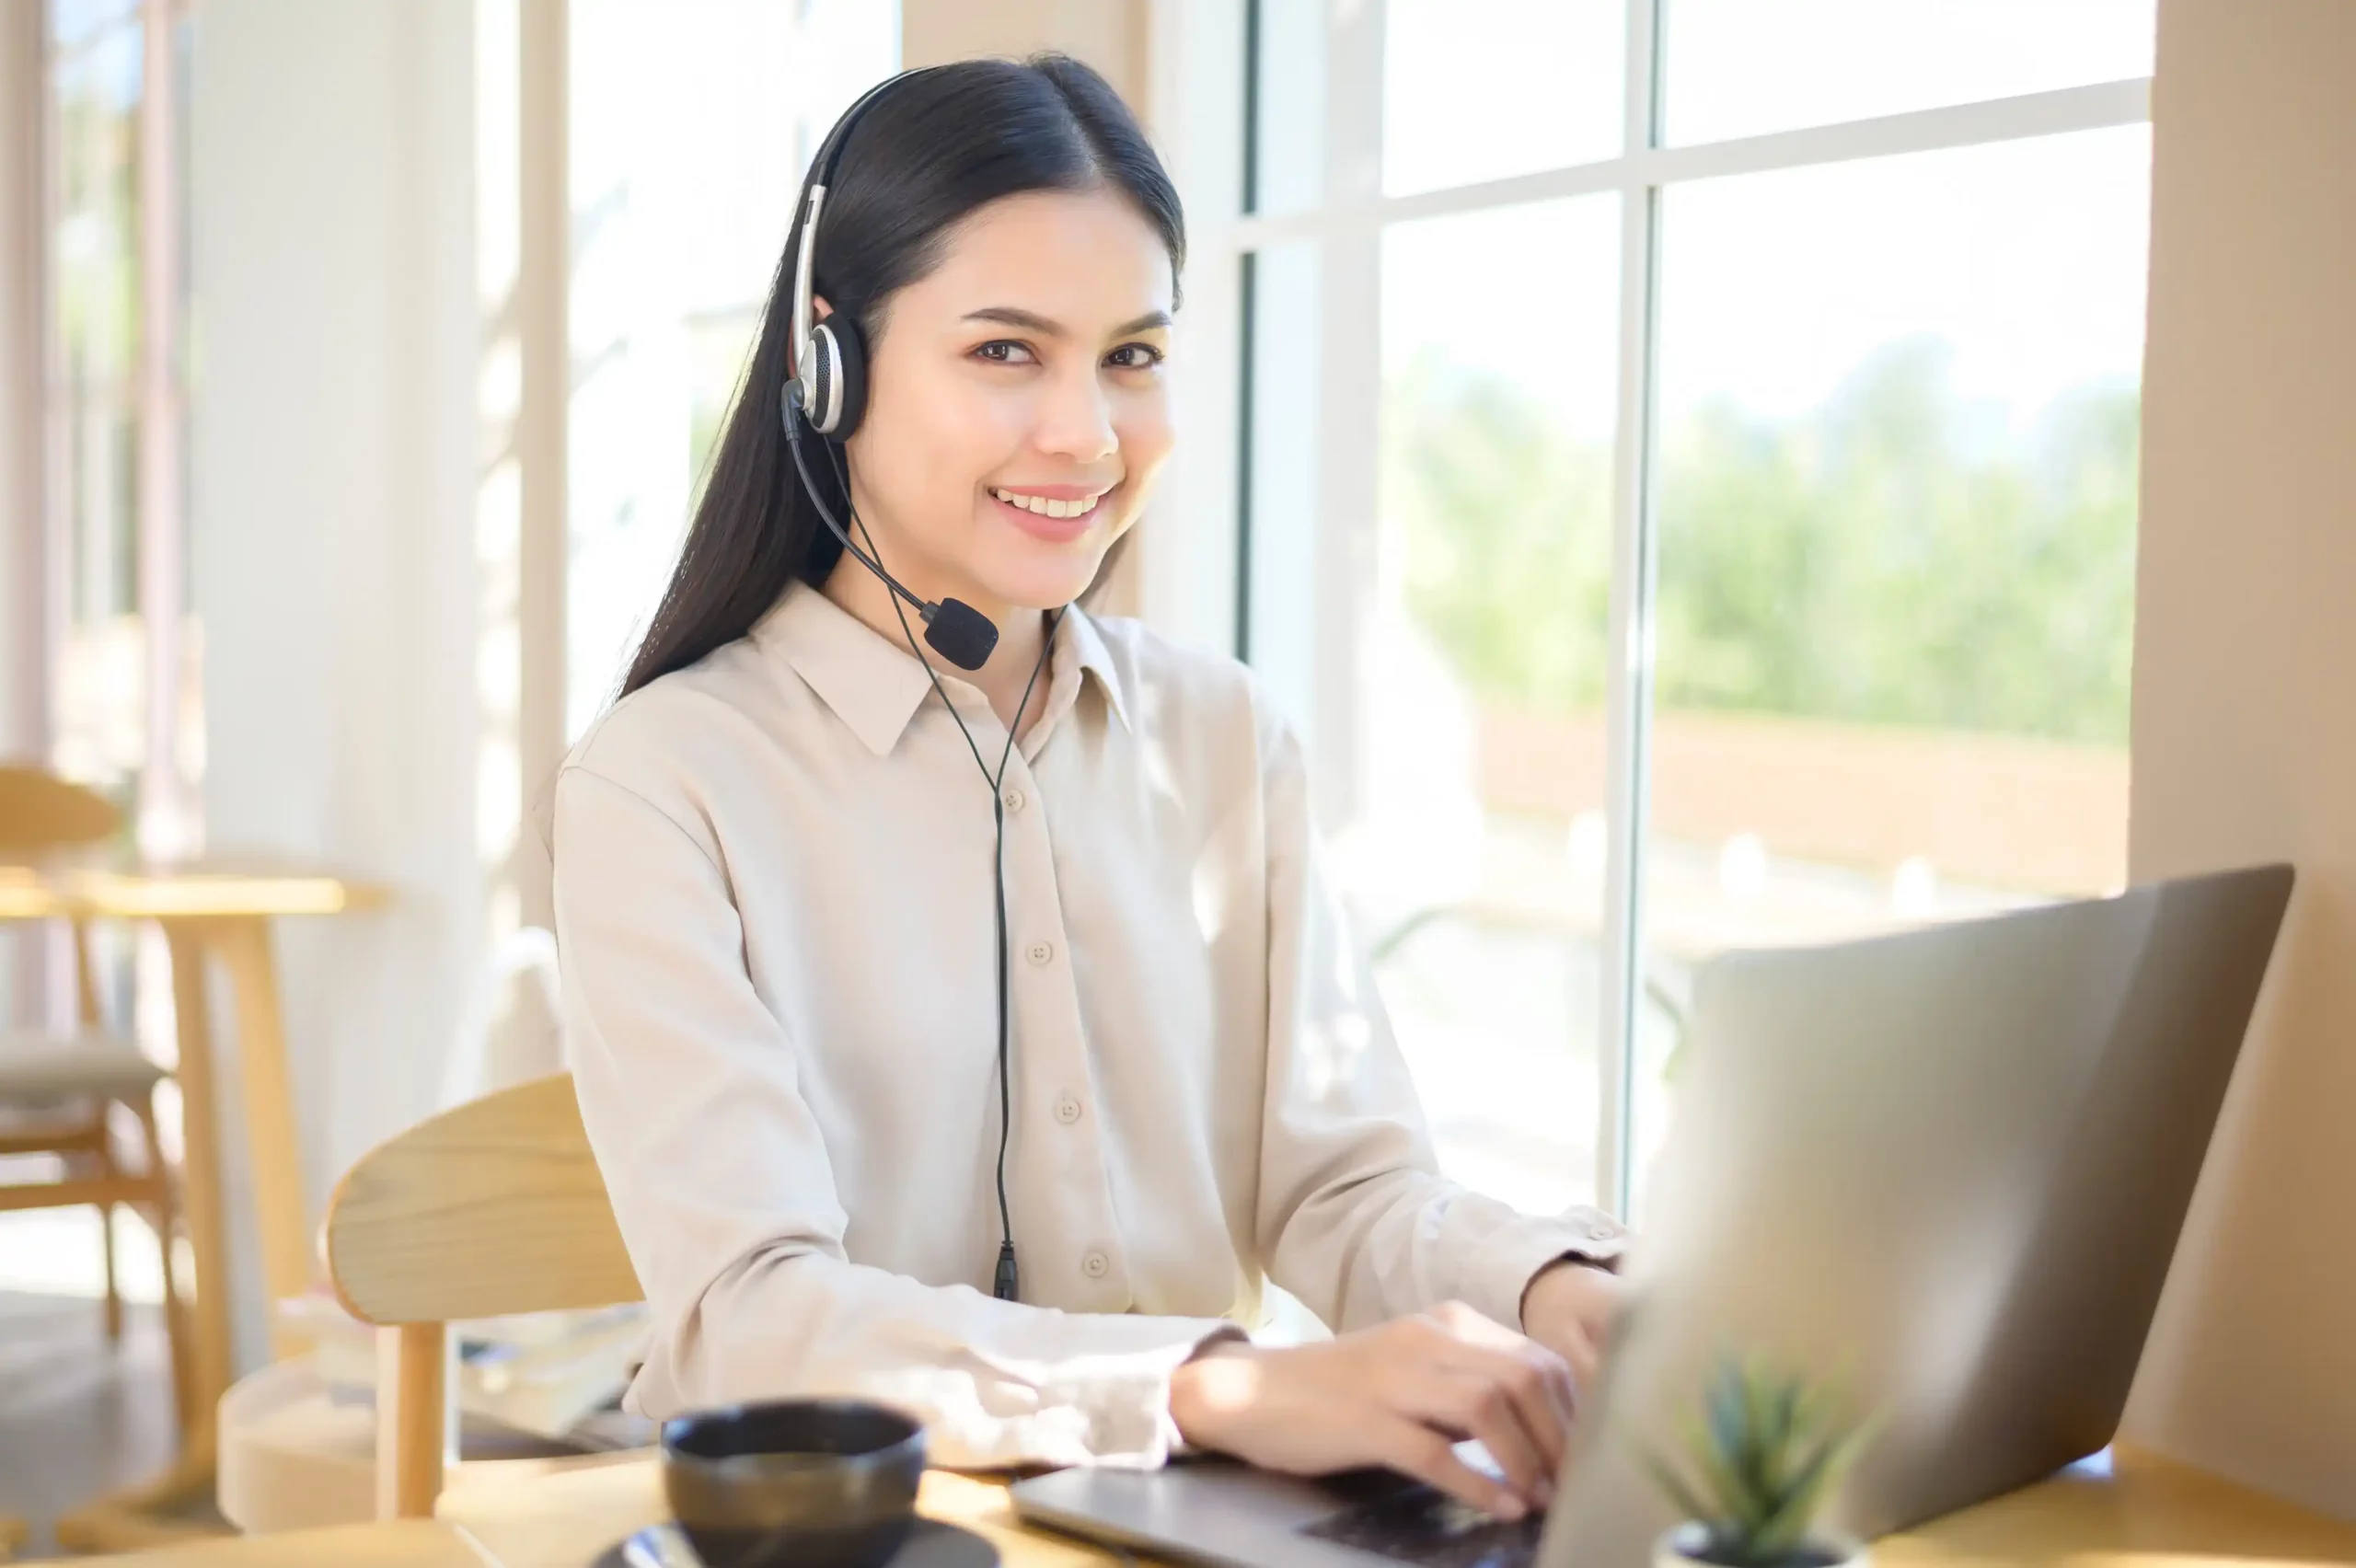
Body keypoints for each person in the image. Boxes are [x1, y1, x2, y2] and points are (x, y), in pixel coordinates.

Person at [552, 53, 1629, 1523]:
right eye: (1006, 352)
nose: (1087, 434)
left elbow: (1340, 1190)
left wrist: (1545, 1283)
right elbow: (747, 1319)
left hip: (1181, 1531)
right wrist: (1212, 1387)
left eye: (1132, 354)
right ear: (830, 367)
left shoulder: (1227, 738)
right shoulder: (665, 785)